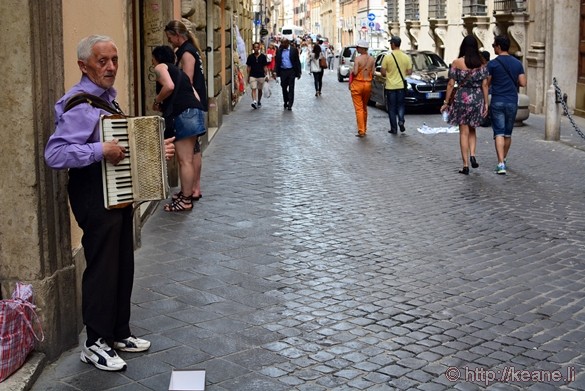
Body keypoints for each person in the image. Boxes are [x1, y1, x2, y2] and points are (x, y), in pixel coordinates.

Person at [44, 35, 175, 372]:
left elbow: (124, 148)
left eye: (114, 59)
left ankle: (118, 333)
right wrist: (99, 151)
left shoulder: (107, 102)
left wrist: (156, 152)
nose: (111, 67)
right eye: (102, 61)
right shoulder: (78, 104)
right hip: (92, 193)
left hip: (115, 196)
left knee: (121, 265)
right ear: (83, 65)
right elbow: (55, 154)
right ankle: (95, 343)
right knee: (102, 268)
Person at [152, 45, 206, 211]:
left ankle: (185, 201)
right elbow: (195, 95)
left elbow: (169, 86)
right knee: (193, 154)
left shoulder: (161, 67)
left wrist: (157, 100)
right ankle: (186, 193)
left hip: (183, 114)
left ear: (157, 58)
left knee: (184, 160)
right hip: (195, 111)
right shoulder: (180, 72)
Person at [164, 20, 207, 201]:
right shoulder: (190, 50)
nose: (169, 41)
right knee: (194, 150)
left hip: (189, 106)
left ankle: (191, 191)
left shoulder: (187, 52)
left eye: (170, 37)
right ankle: (193, 189)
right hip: (196, 104)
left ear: (177, 35)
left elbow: (186, 81)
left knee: (188, 155)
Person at [440, 35, 489, 175]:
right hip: (477, 98)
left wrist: (446, 102)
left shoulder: (457, 62)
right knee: (473, 129)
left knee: (463, 132)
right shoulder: (482, 62)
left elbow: (450, 84)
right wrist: (486, 103)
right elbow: (485, 84)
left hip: (462, 98)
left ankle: (465, 165)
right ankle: (473, 154)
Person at [487, 35, 527, 175]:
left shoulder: (492, 64)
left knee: (498, 132)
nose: (493, 48)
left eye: (494, 45)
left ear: (498, 46)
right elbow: (523, 83)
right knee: (508, 134)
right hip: (511, 101)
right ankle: (504, 158)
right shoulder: (517, 63)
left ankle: (500, 164)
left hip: (497, 100)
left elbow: (487, 83)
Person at [381, 36, 413, 134]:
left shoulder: (387, 57)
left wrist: (390, 74)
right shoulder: (406, 57)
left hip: (390, 87)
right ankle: (401, 121)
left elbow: (382, 72)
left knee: (391, 108)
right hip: (401, 86)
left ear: (394, 44)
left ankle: (394, 129)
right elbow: (409, 72)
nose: (390, 45)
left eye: (391, 43)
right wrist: (402, 73)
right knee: (401, 105)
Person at [350, 39, 375, 138]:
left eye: (358, 47)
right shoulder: (372, 59)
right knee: (364, 107)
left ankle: (361, 130)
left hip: (357, 84)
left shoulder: (358, 59)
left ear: (361, 48)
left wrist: (351, 71)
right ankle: (364, 128)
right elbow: (372, 73)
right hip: (367, 84)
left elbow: (355, 72)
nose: (357, 49)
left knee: (359, 108)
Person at [275, 38, 302, 110]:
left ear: (287, 43)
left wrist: (299, 72)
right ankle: (286, 100)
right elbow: (277, 62)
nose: (282, 45)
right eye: (281, 43)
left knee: (291, 87)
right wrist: (275, 71)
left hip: (291, 71)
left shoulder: (293, 50)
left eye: (283, 43)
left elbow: (297, 61)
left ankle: (290, 103)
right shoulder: (279, 51)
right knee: (283, 86)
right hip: (283, 71)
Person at [246, 42, 269, 109]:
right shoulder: (250, 57)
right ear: (253, 48)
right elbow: (248, 67)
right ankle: (254, 101)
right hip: (252, 75)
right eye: (255, 47)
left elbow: (265, 67)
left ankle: (259, 101)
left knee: (259, 90)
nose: (256, 48)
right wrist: (248, 76)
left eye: (257, 47)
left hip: (261, 75)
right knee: (253, 88)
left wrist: (266, 75)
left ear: (259, 48)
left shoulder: (263, 57)